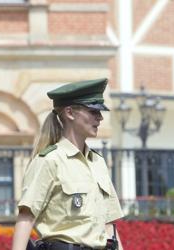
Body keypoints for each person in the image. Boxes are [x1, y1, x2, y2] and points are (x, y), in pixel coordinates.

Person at [10, 79, 124, 250]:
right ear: (70, 113)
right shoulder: (49, 160)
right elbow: (26, 218)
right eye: (93, 111)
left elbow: (108, 225)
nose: (100, 118)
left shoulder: (98, 162)